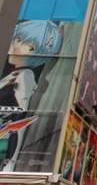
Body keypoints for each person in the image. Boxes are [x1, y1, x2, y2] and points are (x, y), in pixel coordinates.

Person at [0, 20, 63, 170]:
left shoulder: (25, 76)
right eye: (18, 39)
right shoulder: (11, 77)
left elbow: (19, 121)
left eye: (29, 47)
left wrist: (10, 163)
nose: (17, 46)